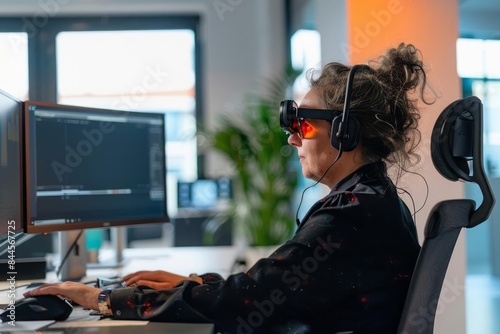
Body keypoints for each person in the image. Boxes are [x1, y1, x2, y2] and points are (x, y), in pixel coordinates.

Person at [27, 42, 434, 333]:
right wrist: (193, 284)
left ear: (346, 133)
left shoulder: (348, 219)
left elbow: (248, 301)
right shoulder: (371, 199)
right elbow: (267, 286)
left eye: (303, 125)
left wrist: (99, 299)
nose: (292, 139)